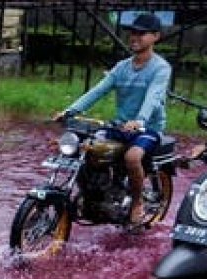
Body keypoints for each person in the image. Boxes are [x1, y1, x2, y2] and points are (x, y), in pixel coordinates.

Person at [54, 12, 171, 225]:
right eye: (132, 33)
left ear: (156, 36)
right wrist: (70, 111)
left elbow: (153, 97)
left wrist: (140, 120)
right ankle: (95, 195)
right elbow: (98, 91)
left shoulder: (161, 68)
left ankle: (137, 203)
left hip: (148, 128)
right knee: (85, 147)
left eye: (141, 34)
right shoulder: (122, 67)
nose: (135, 37)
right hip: (120, 125)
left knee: (132, 158)